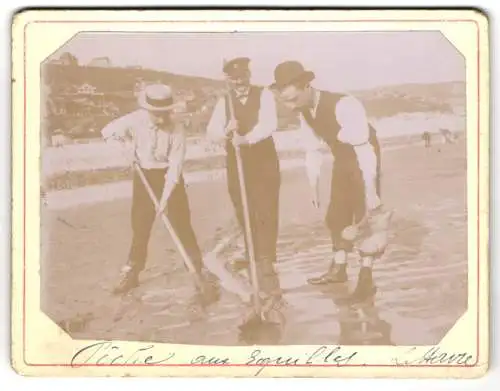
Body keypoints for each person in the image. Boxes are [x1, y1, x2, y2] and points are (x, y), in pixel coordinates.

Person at [270, 61, 391, 304]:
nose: (290, 106)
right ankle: (339, 269)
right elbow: (312, 149)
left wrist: (370, 190)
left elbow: (364, 149)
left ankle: (366, 280)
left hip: (364, 155)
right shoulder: (304, 111)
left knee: (363, 215)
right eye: (285, 101)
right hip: (342, 157)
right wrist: (313, 185)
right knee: (336, 214)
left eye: (293, 99)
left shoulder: (345, 105)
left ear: (306, 86)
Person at [101, 83, 218, 302]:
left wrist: (164, 200)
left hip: (169, 178)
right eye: (157, 115)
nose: (162, 119)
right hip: (144, 175)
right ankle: (132, 271)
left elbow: (175, 168)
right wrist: (125, 151)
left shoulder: (177, 128)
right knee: (141, 226)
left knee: (181, 225)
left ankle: (197, 269)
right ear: (147, 110)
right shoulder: (133, 120)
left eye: (166, 113)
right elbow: (107, 133)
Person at [206, 57, 282, 310]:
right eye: (234, 78)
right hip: (236, 160)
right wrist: (226, 130)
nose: (240, 82)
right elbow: (212, 133)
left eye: (243, 76)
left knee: (267, 207)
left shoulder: (264, 95)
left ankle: (266, 258)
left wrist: (247, 139)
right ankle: (251, 251)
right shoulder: (223, 101)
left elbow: (270, 124)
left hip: (263, 159)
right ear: (228, 79)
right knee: (243, 206)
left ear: (249, 75)